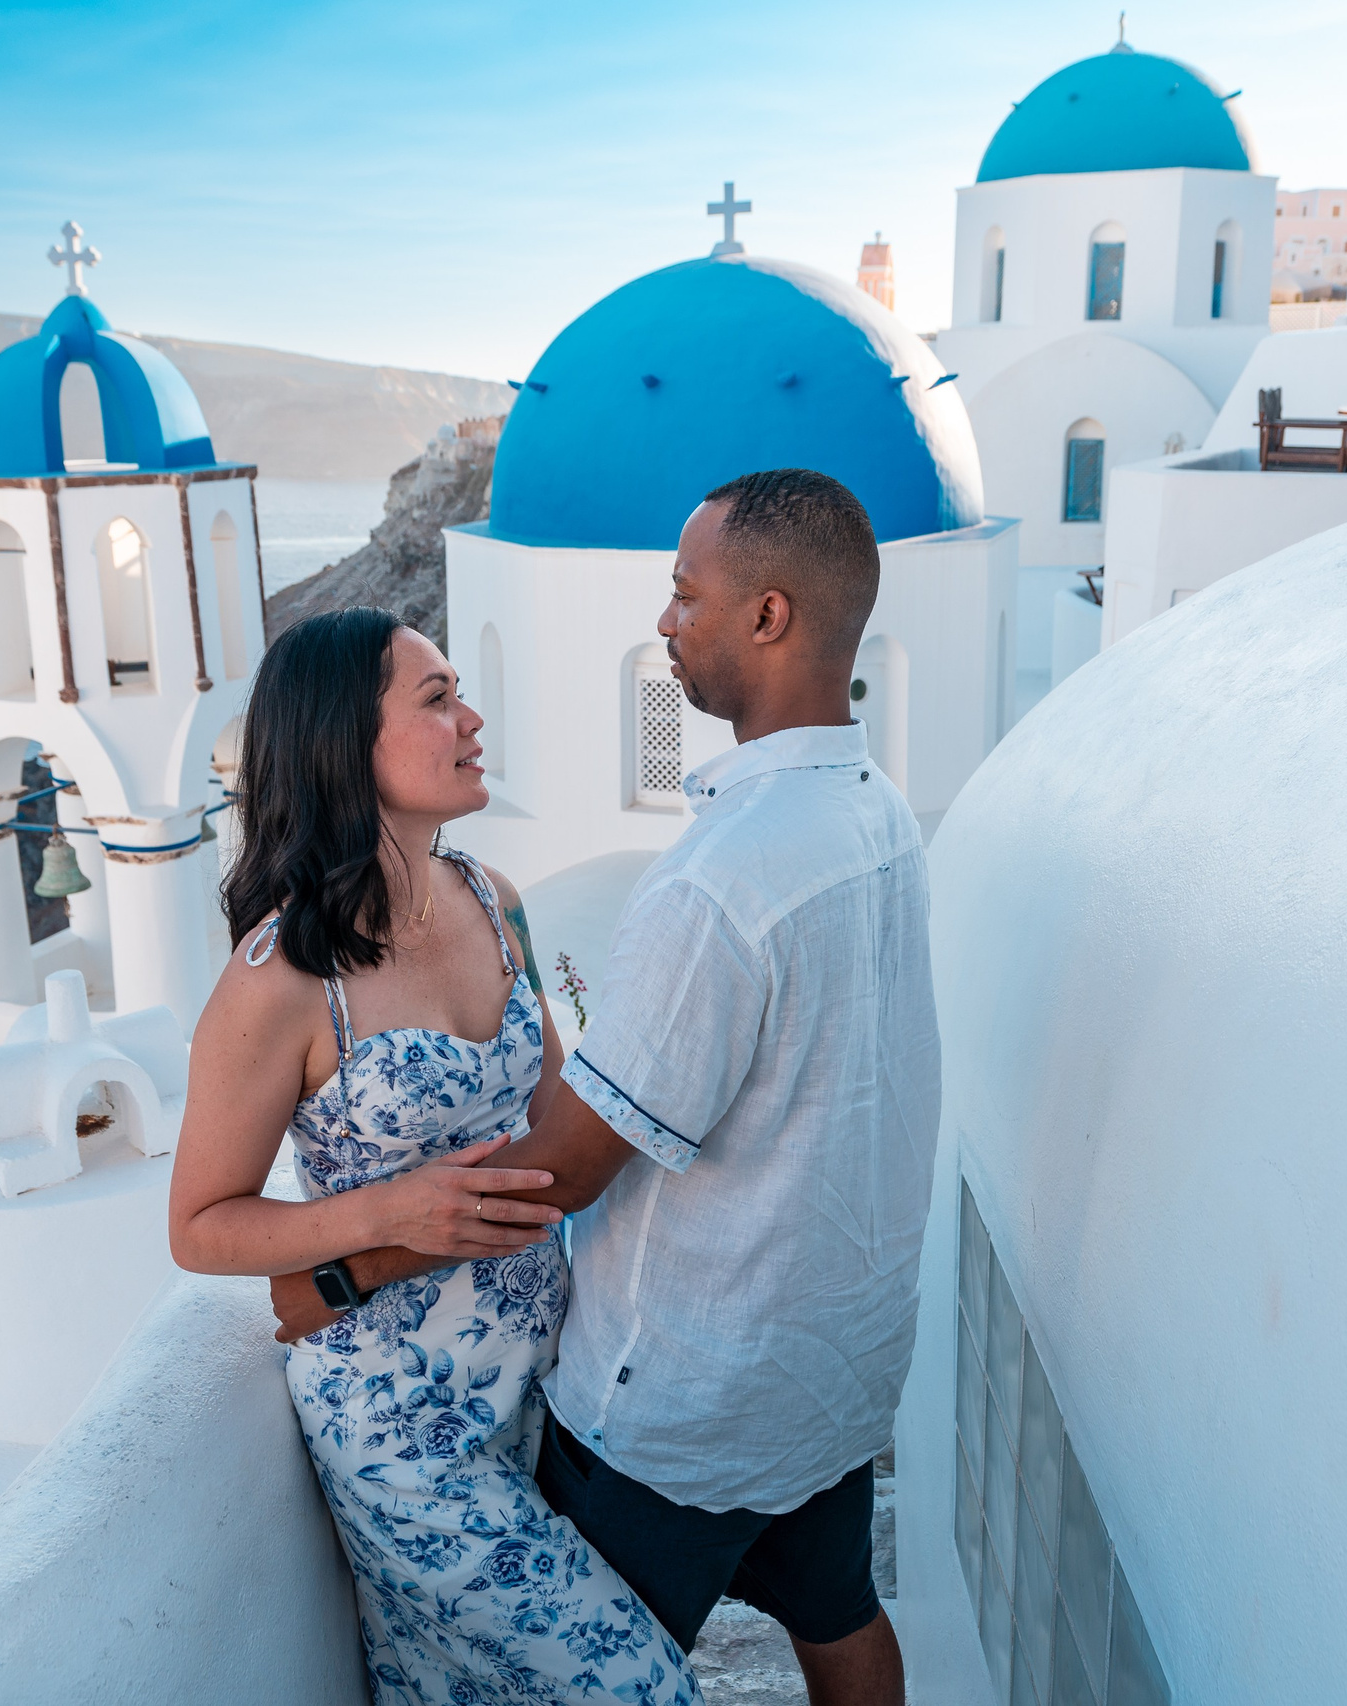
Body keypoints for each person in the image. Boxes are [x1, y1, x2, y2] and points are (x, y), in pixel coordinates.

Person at [268, 469, 940, 1706]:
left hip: (686, 1396)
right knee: (843, 1621)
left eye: (687, 595)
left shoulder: (717, 882)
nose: (665, 619)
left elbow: (561, 1168)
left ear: (769, 617)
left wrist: (336, 1269)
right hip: (829, 1367)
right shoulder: (878, 810)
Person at [169, 606, 699, 1706]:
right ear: (340, 743)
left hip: (554, 1380)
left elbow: (555, 1109)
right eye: (435, 697)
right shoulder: (279, 980)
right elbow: (200, 1223)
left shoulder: (491, 899)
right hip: (402, 1430)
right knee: (640, 1687)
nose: (470, 717)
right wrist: (390, 1211)